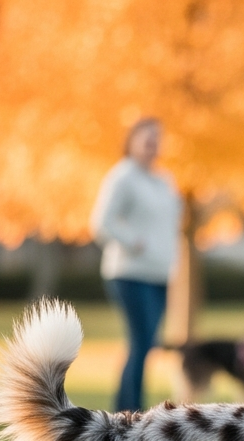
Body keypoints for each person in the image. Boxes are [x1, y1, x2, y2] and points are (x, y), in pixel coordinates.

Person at [89, 117, 181, 412]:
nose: (153, 144)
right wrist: (134, 241)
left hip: (159, 274)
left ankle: (128, 411)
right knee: (141, 342)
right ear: (132, 142)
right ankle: (129, 412)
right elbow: (101, 222)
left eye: (157, 139)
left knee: (146, 345)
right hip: (130, 273)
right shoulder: (123, 176)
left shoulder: (164, 179)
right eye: (147, 138)